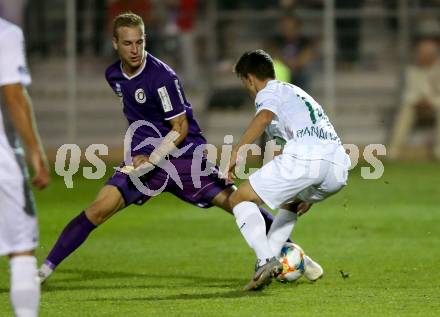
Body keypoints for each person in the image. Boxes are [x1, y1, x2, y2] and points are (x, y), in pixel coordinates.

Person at [37, 12, 293, 283]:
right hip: (145, 163)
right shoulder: (113, 75)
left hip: (183, 159)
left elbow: (180, 128)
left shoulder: (161, 77)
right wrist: (141, 155)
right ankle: (42, 272)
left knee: (235, 202)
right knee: (98, 209)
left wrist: (151, 158)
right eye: (128, 43)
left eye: (140, 42)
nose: (135, 50)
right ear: (115, 44)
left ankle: (294, 252)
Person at [226, 50, 350, 290]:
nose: (248, 89)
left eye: (245, 83)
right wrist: (308, 189)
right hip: (337, 167)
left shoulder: (269, 92)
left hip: (308, 157)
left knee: (239, 198)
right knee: (291, 201)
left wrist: (236, 153)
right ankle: (265, 268)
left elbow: (263, 118)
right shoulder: (297, 94)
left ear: (250, 78)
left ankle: (265, 259)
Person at [0, 17, 50, 317]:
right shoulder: (6, 33)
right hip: (2, 160)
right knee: (21, 250)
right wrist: (35, 151)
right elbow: (14, 94)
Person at [388, 38, 440, 160]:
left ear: (432, 56)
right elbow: (409, 93)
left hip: (436, 106)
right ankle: (392, 152)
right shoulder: (411, 70)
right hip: (418, 107)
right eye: (419, 53)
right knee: (406, 111)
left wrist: (431, 102)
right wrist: (419, 101)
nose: (419, 56)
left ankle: (439, 152)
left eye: (423, 54)